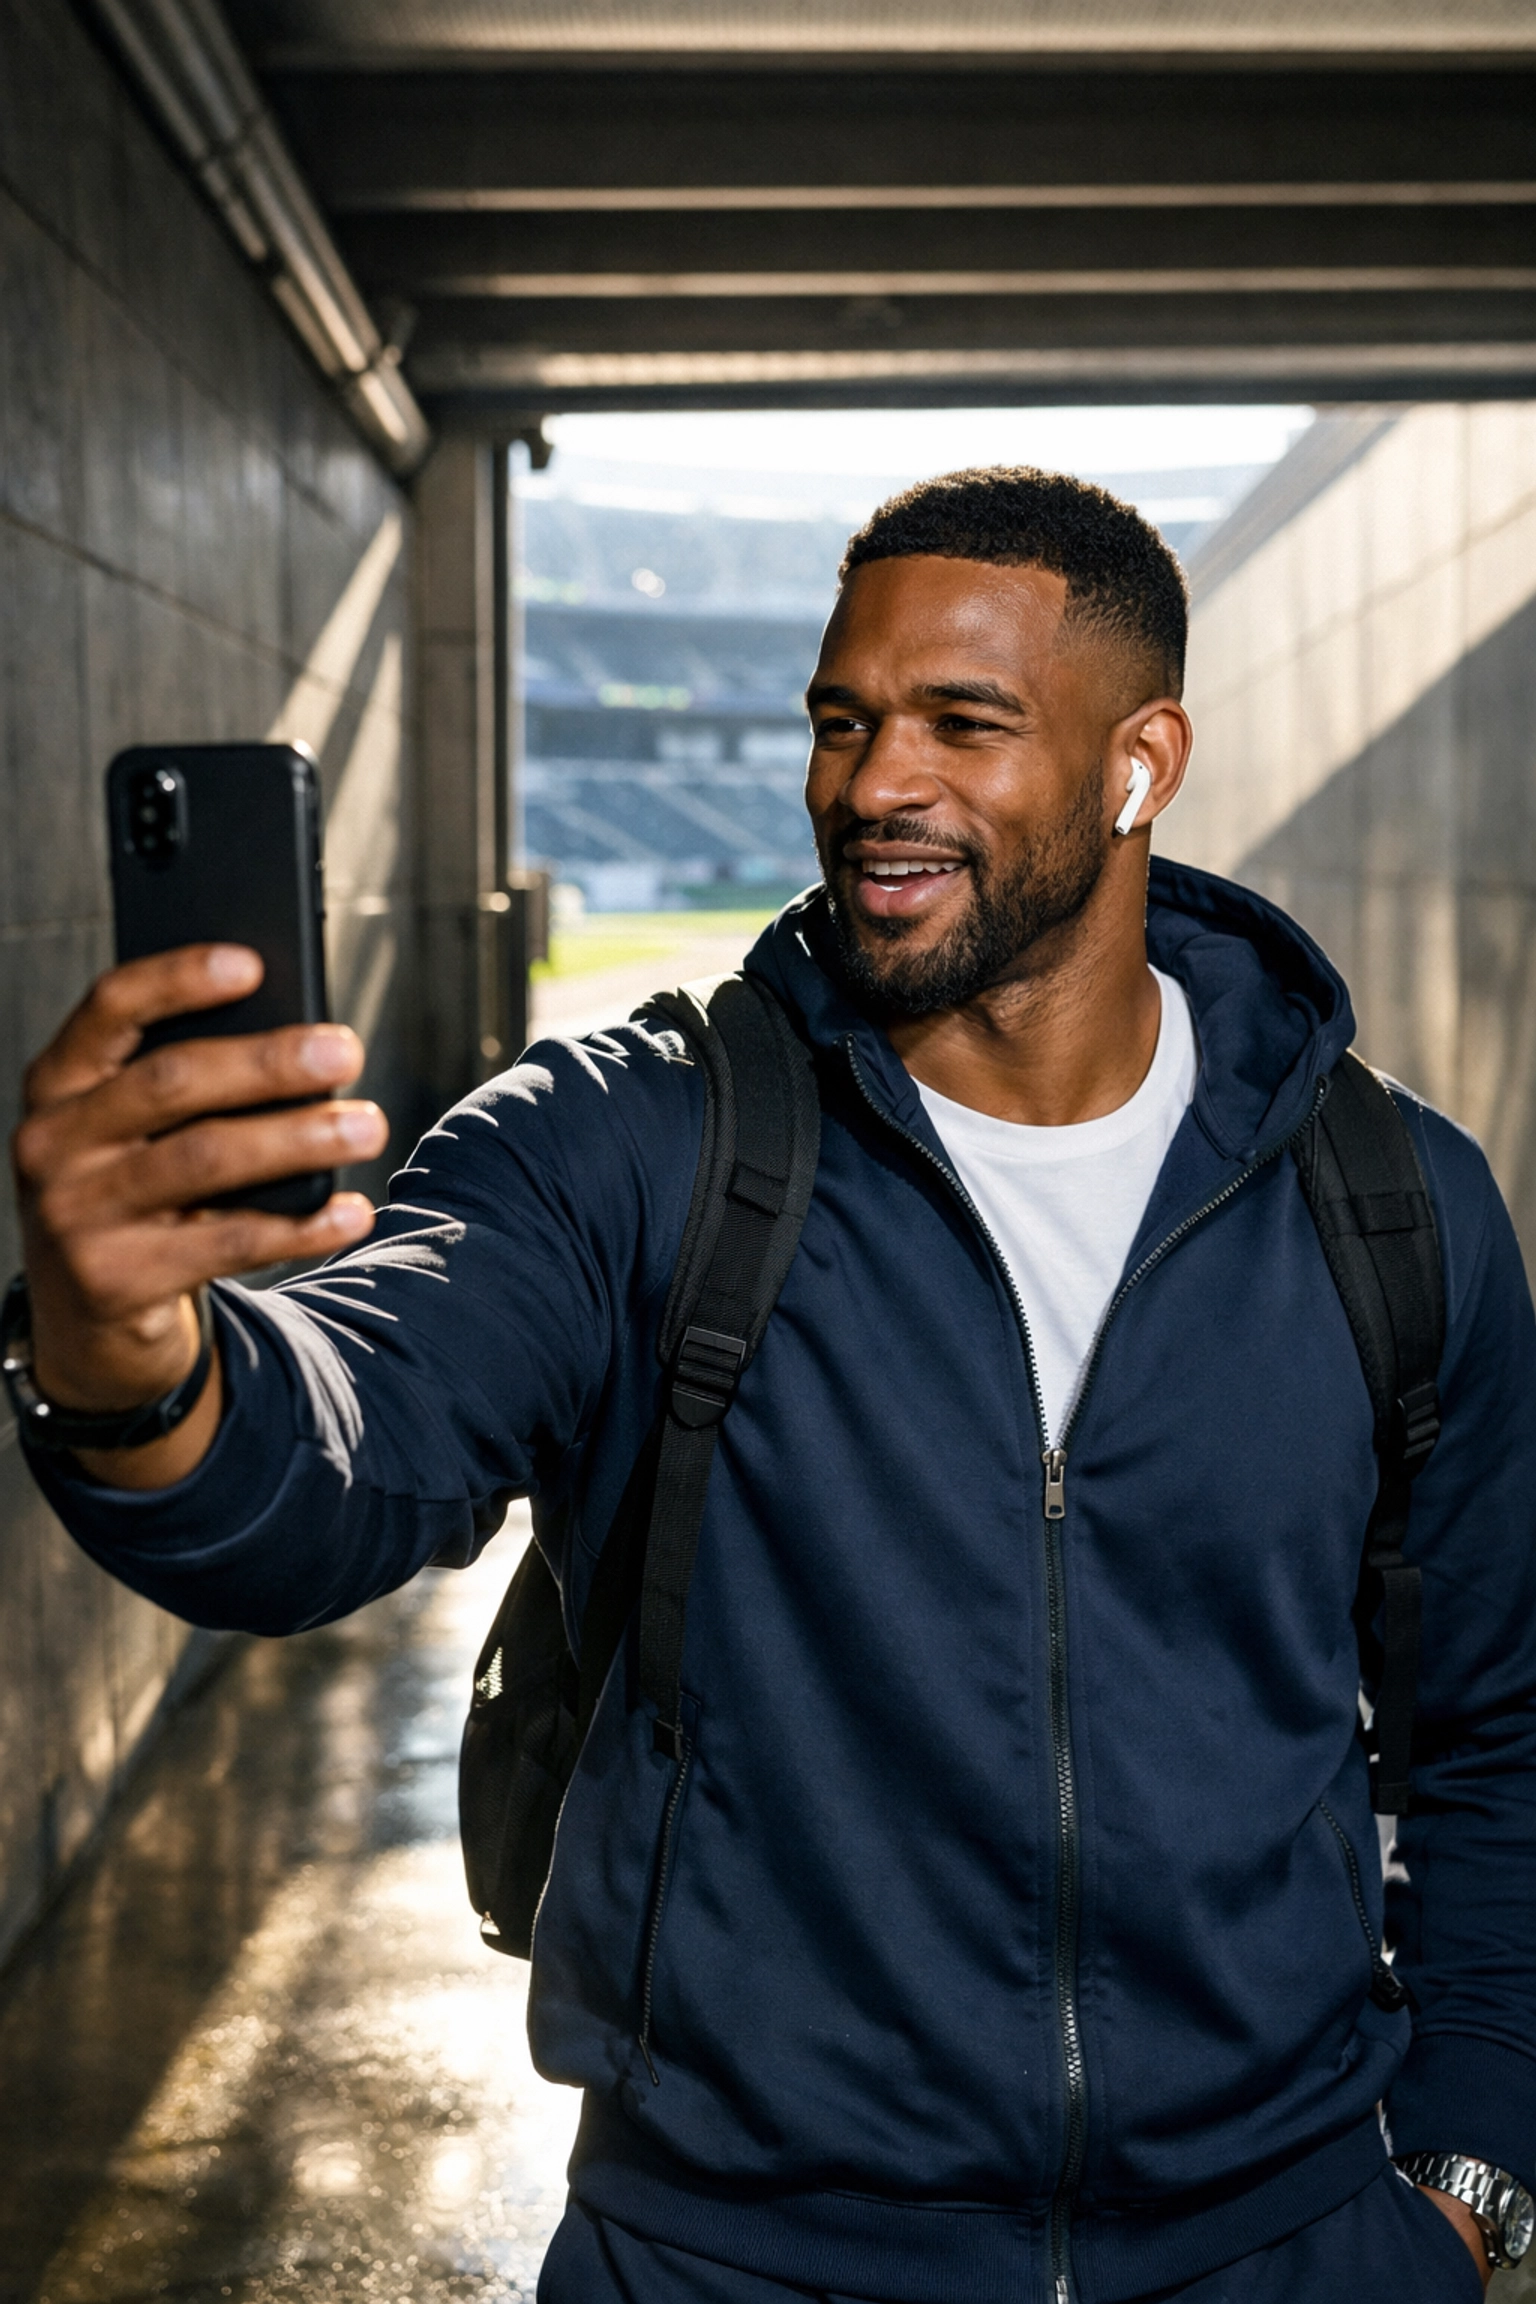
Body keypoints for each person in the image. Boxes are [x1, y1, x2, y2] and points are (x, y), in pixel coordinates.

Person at [9, 469, 1535, 2304]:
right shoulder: (634, 1145)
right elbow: (335, 1458)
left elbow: (1494, 1735)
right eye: (844, 720)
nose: (874, 783)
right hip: (732, 2261)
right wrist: (132, 1357)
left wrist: (1469, 2173)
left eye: (964, 723)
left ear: (1143, 763)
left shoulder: (1388, 1201)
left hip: (1282, 2249)